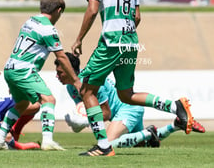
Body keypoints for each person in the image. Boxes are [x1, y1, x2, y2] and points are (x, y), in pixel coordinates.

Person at [71, 0, 196, 157]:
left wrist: (79, 38)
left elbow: (92, 10)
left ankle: (102, 146)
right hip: (130, 42)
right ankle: (174, 106)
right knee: (126, 94)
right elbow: (137, 17)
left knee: (86, 89)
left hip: (111, 41)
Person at [0, 0, 81, 151]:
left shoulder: (30, 21)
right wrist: (76, 80)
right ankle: (47, 141)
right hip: (24, 70)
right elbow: (61, 57)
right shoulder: (48, 29)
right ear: (59, 10)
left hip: (10, 67)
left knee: (22, 104)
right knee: (49, 100)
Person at [55, 53, 205, 149]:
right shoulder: (71, 87)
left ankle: (149, 132)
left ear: (69, 70)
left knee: (106, 144)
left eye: (60, 72)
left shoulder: (90, 82)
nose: (57, 76)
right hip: (123, 112)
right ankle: (174, 125)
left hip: (127, 109)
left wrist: (84, 122)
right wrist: (79, 123)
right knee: (142, 145)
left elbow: (105, 114)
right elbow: (86, 110)